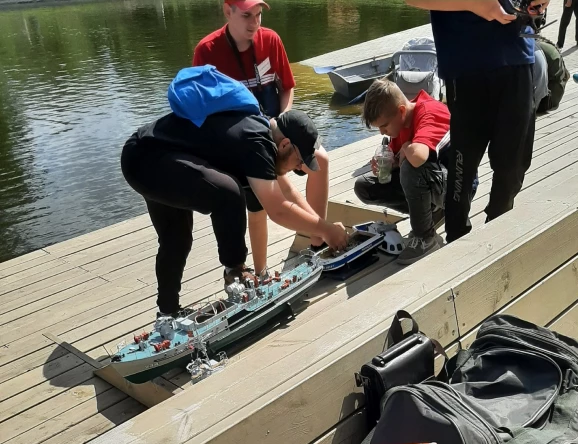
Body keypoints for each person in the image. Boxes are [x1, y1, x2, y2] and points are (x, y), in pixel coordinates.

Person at [121, 107, 347, 318]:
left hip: (143, 155)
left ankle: (168, 314)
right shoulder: (258, 144)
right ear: (285, 144)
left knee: (176, 237)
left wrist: (323, 230)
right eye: (299, 161)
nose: (299, 168)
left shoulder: (263, 133)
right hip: (148, 157)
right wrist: (327, 230)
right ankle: (235, 272)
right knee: (228, 193)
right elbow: (278, 210)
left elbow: (287, 192)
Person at [193, 0, 330, 277]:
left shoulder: (271, 40)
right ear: (227, 11)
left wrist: (283, 125)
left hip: (277, 131)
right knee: (258, 207)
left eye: (258, 15)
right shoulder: (207, 51)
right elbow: (200, 112)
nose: (255, 24)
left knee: (321, 159)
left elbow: (287, 87)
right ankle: (260, 272)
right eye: (246, 16)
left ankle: (319, 243)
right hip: (243, 143)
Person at [404, 0, 549, 244]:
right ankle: (456, 240)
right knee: (463, 165)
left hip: (518, 57)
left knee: (513, 166)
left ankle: (496, 237)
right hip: (466, 64)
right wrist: (476, 4)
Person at [354, 80, 450, 264]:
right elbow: (401, 158)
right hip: (432, 183)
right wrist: (388, 163)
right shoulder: (399, 126)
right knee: (364, 186)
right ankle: (432, 214)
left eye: (384, 126)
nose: (383, 132)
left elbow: (417, 157)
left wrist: (405, 147)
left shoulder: (429, 111)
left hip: (456, 189)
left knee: (411, 167)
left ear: (401, 111)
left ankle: (425, 237)